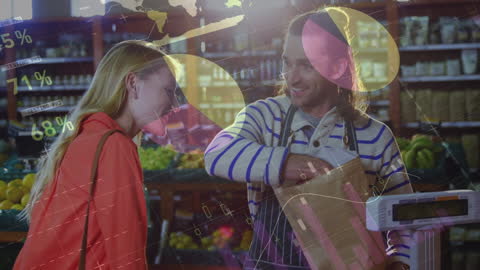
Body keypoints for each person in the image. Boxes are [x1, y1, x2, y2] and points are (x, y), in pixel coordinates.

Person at [204, 8, 412, 270]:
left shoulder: (374, 136)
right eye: (287, 62)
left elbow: (404, 218)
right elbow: (217, 154)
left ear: (338, 67)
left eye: (306, 65)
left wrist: (400, 262)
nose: (292, 77)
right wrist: (289, 163)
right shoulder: (265, 117)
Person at [14, 40, 180, 270]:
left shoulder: (88, 132)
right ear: (133, 83)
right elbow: (127, 256)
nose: (175, 103)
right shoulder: (114, 146)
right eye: (169, 90)